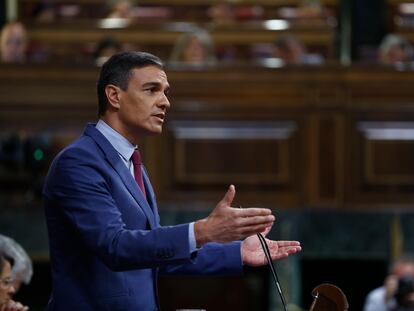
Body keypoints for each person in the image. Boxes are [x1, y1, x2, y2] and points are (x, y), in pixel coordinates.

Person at [43, 51, 302, 310]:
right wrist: (203, 231)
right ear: (114, 96)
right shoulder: (79, 162)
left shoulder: (133, 164)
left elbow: (155, 253)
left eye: (165, 92)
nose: (165, 102)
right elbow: (116, 245)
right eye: (151, 90)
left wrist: (238, 252)